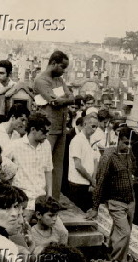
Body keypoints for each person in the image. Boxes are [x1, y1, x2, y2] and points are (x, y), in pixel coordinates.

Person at [86, 127, 136, 262]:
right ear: (119, 140)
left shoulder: (129, 153)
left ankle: (113, 257)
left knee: (121, 232)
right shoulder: (108, 157)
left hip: (130, 200)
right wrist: (95, 208)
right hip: (115, 201)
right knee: (124, 232)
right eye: (126, 143)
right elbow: (100, 182)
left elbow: (133, 169)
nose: (128, 146)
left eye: (131, 143)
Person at [34, 50, 79, 200]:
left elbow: (71, 97)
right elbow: (55, 101)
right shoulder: (41, 80)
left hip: (61, 128)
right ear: (53, 63)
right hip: (48, 129)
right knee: (44, 164)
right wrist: (65, 98)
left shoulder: (59, 80)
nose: (64, 71)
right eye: (62, 67)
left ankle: (54, 199)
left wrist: (65, 99)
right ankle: (41, 198)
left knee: (57, 166)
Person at [5, 112, 52, 212]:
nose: (47, 135)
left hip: (41, 199)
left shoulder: (46, 144)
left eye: (48, 132)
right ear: (33, 129)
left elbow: (48, 170)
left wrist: (49, 195)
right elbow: (1, 168)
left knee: (58, 226)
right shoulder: (15, 146)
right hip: (23, 200)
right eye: (44, 132)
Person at [68, 115, 98, 212]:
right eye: (93, 126)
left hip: (88, 183)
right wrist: (91, 180)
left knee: (87, 212)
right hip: (78, 185)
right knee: (78, 213)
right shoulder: (77, 141)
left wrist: (93, 179)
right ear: (85, 124)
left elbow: (95, 160)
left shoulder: (92, 140)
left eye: (96, 127)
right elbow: (78, 165)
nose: (95, 129)